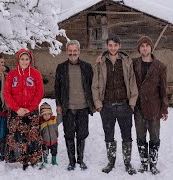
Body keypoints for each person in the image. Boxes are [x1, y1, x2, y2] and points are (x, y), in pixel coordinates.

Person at [92, 34, 138, 175]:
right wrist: (98, 104)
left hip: (124, 105)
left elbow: (132, 82)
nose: (113, 48)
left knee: (127, 135)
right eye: (110, 45)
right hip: (107, 106)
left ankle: (127, 163)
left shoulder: (126, 61)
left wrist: (131, 103)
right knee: (109, 135)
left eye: (115, 45)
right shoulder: (100, 62)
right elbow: (95, 85)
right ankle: (110, 162)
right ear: (107, 45)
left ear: (119, 46)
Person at [55, 40, 94, 171]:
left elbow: (92, 85)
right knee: (69, 134)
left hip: (83, 107)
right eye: (70, 51)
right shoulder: (61, 67)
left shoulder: (87, 67)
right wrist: (59, 104)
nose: (72, 53)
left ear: (79, 51)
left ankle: (80, 160)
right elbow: (57, 88)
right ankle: (71, 161)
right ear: (67, 52)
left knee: (82, 134)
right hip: (68, 108)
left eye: (75, 51)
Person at [132, 36, 168, 175]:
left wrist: (164, 109)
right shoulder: (134, 63)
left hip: (154, 107)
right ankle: (143, 163)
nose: (145, 48)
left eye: (147, 45)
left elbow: (163, 89)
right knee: (140, 137)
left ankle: (153, 164)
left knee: (154, 137)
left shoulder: (160, 66)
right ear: (139, 49)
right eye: (142, 46)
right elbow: (118, 58)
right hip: (138, 108)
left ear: (151, 47)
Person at [3, 48, 44, 170]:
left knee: (32, 136)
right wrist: (17, 108)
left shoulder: (36, 73)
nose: (25, 61)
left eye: (27, 59)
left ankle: (34, 160)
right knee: (17, 136)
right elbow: (7, 93)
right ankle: (19, 160)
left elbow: (39, 92)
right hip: (16, 112)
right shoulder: (12, 75)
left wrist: (30, 108)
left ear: (30, 60)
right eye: (22, 59)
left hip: (31, 112)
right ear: (18, 60)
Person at [39, 102, 62, 166]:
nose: (46, 116)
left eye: (48, 114)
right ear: (41, 115)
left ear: (50, 113)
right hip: (45, 142)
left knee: (54, 152)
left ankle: (54, 161)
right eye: (44, 114)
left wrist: (59, 113)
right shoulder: (40, 123)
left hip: (54, 140)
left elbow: (60, 118)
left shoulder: (54, 120)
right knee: (45, 152)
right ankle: (45, 161)